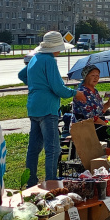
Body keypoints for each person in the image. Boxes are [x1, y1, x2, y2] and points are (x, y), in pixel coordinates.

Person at [19, 31, 86, 186]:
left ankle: (31, 182)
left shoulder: (35, 57)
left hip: (34, 106)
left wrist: (37, 85)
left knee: (34, 148)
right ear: (54, 48)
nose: (60, 51)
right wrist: (75, 93)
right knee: (53, 148)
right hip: (47, 108)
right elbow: (58, 88)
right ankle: (51, 180)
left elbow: (22, 75)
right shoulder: (49, 60)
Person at [71, 64, 110, 140]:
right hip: (83, 127)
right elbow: (91, 117)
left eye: (98, 75)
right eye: (93, 75)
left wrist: (109, 103)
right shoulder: (82, 92)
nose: (96, 78)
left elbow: (99, 111)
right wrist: (107, 125)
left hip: (94, 125)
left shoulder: (95, 91)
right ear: (85, 77)